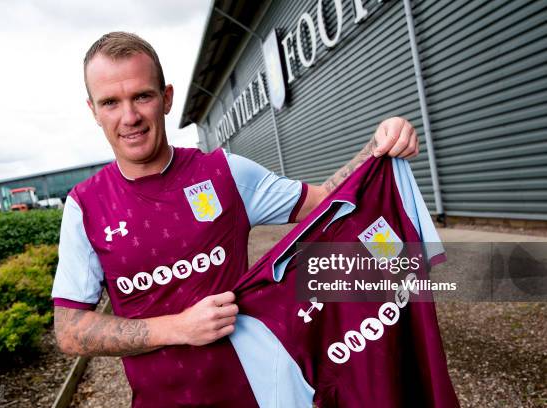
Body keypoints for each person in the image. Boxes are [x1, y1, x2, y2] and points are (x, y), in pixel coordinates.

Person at [51, 32, 419, 406]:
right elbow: (69, 331)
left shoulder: (224, 173)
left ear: (166, 98)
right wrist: (178, 328)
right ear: (93, 111)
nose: (129, 116)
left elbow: (328, 202)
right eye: (111, 102)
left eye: (142, 96)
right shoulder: (85, 207)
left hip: (259, 396)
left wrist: (378, 146)